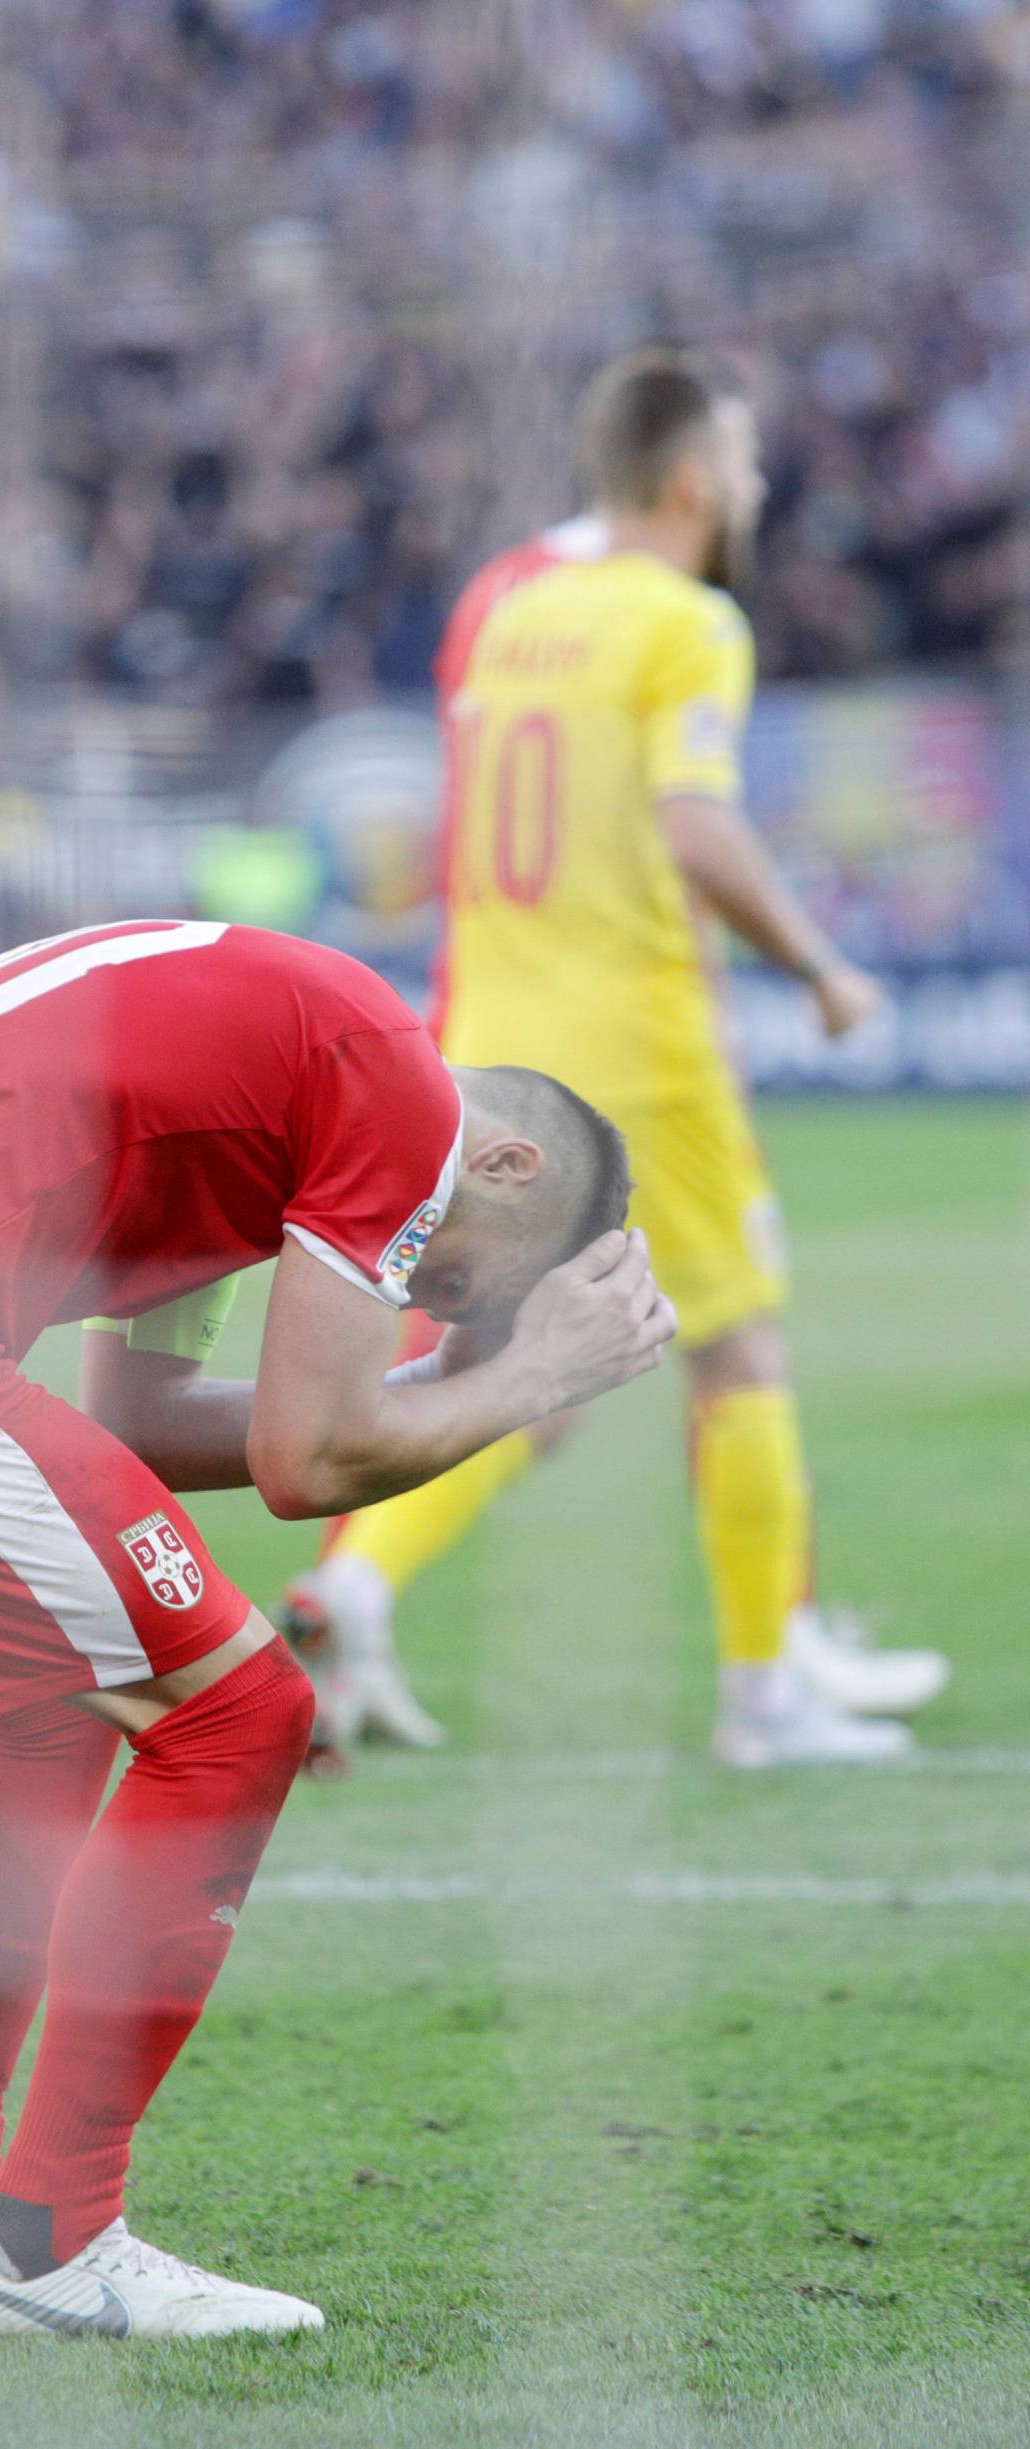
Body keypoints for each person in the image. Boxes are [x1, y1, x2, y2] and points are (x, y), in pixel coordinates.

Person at [0, 918, 674, 2338]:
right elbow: (313, 1462)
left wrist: (448, 1383)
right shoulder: (402, 1099)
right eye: (453, 1281)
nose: (423, 1299)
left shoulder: (274, 1107)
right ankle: (53, 2245)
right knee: (246, 1710)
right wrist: (527, 1374)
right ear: (505, 1164)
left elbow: (140, 1421)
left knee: (65, 1703)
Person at [280, 345, 946, 1774]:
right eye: (749, 460)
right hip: (632, 1042)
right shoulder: (686, 620)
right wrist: (824, 971)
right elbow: (696, 827)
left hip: (496, 1042)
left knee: (521, 1366)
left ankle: (350, 1583)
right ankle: (769, 1693)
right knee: (738, 1345)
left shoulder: (517, 614)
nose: (758, 483)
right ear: (696, 477)